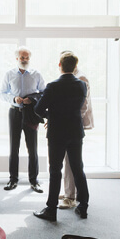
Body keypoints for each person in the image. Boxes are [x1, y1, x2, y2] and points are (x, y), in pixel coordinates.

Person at [33, 51, 89, 222]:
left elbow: (38, 110)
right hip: (75, 131)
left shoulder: (53, 86)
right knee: (77, 168)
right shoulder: (81, 85)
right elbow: (77, 106)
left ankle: (51, 209)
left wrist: (51, 116)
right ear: (75, 67)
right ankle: (83, 206)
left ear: (59, 65)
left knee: (55, 170)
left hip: (57, 132)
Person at [0, 46, 46, 193]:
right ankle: (13, 179)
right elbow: (2, 93)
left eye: (27, 58)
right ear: (17, 59)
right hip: (14, 112)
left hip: (30, 114)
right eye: (22, 57)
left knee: (32, 148)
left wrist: (32, 100)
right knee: (13, 147)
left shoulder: (36, 74)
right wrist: (14, 98)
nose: (24, 60)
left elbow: (43, 93)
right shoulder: (9, 74)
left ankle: (34, 180)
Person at [59, 51, 94, 209]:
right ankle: (69, 191)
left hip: (72, 126)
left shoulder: (80, 78)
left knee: (72, 163)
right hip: (71, 125)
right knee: (70, 161)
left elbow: (81, 106)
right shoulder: (76, 76)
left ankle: (71, 197)